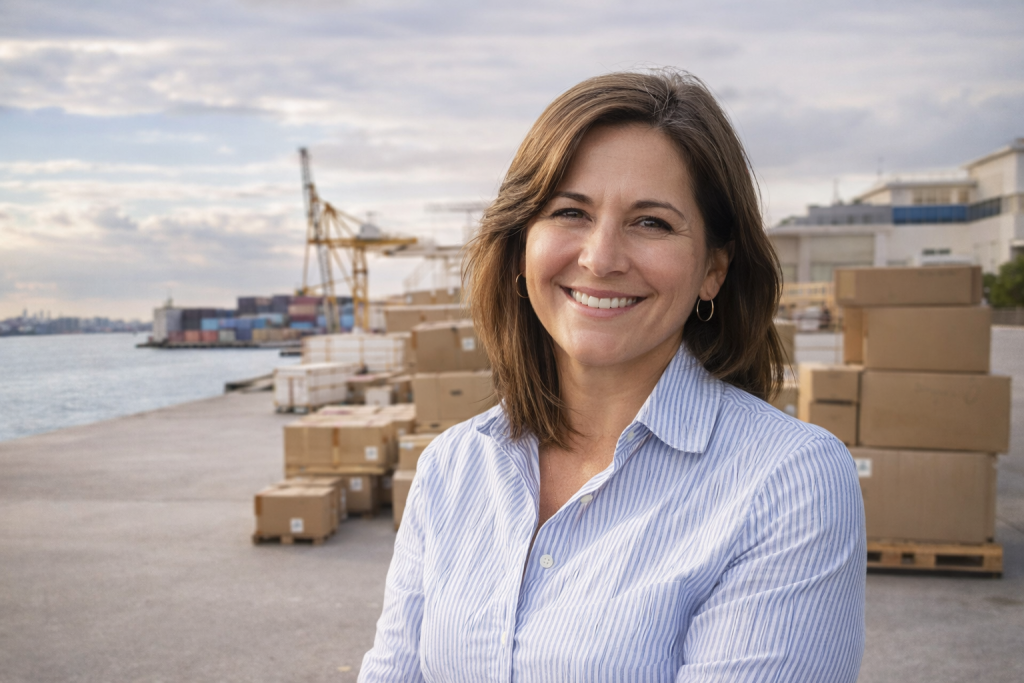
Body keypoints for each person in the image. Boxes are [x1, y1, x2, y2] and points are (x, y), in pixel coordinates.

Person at [360, 69, 865, 682]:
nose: (600, 258)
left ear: (714, 269)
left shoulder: (786, 484)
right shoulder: (453, 467)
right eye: (570, 212)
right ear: (522, 246)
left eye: (651, 222)